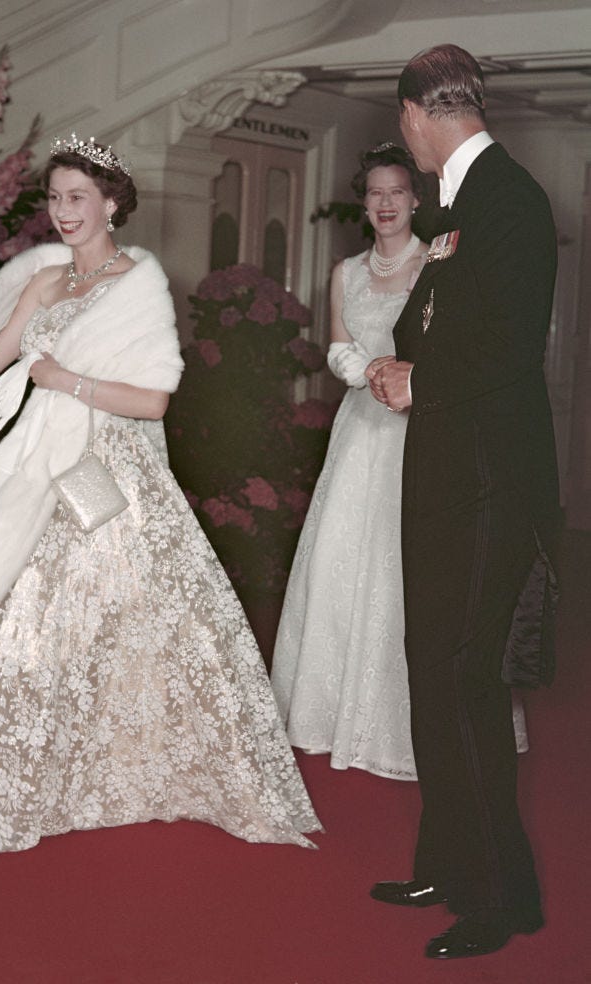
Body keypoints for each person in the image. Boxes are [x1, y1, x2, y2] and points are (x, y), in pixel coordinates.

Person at [0, 135, 321, 862]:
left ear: (112, 203)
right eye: (55, 198)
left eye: (78, 197)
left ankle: (130, 766)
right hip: (41, 464)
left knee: (124, 613)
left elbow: (152, 401)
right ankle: (11, 783)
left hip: (112, 470)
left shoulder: (138, 284)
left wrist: (64, 381)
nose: (63, 211)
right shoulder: (44, 281)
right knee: (13, 615)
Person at [367, 45, 559, 960]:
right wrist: (404, 361)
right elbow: (428, 322)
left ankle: (498, 900)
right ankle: (447, 863)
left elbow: (512, 346)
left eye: (401, 122)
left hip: (488, 481)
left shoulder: (508, 199)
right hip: (446, 473)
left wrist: (421, 379)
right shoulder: (457, 207)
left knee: (462, 677)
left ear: (416, 113)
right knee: (431, 672)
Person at [271, 143, 428, 779]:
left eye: (397, 192)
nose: (386, 203)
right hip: (361, 426)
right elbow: (337, 347)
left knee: (403, 561)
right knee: (341, 554)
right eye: (375, 193)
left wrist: (406, 378)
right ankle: (328, 713)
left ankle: (401, 723)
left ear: (416, 199)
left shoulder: (437, 265)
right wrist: (368, 371)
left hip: (417, 426)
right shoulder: (346, 272)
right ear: (364, 204)